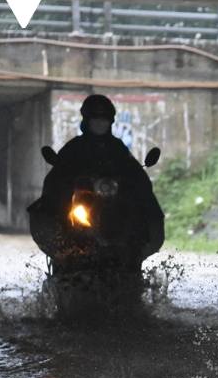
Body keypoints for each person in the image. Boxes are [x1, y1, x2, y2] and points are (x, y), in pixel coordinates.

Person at [28, 94, 164, 269]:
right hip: (82, 201)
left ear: (111, 121)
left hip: (114, 207)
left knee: (139, 211)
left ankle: (133, 253)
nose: (100, 122)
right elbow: (56, 178)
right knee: (55, 211)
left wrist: (137, 184)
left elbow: (135, 173)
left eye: (104, 118)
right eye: (96, 117)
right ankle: (65, 251)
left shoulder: (118, 148)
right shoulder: (74, 147)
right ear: (87, 120)